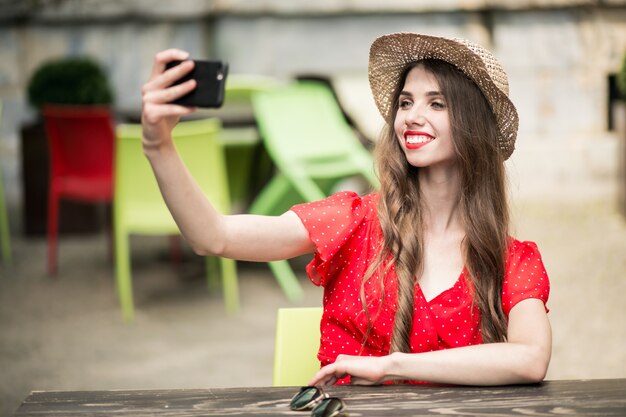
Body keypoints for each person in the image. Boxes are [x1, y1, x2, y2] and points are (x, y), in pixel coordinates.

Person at [141, 32, 551, 387]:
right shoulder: (353, 221)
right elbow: (214, 236)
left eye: (437, 104)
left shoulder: (510, 258)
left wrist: (390, 366)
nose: (412, 117)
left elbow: (531, 359)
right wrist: (158, 146)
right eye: (405, 103)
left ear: (473, 126)